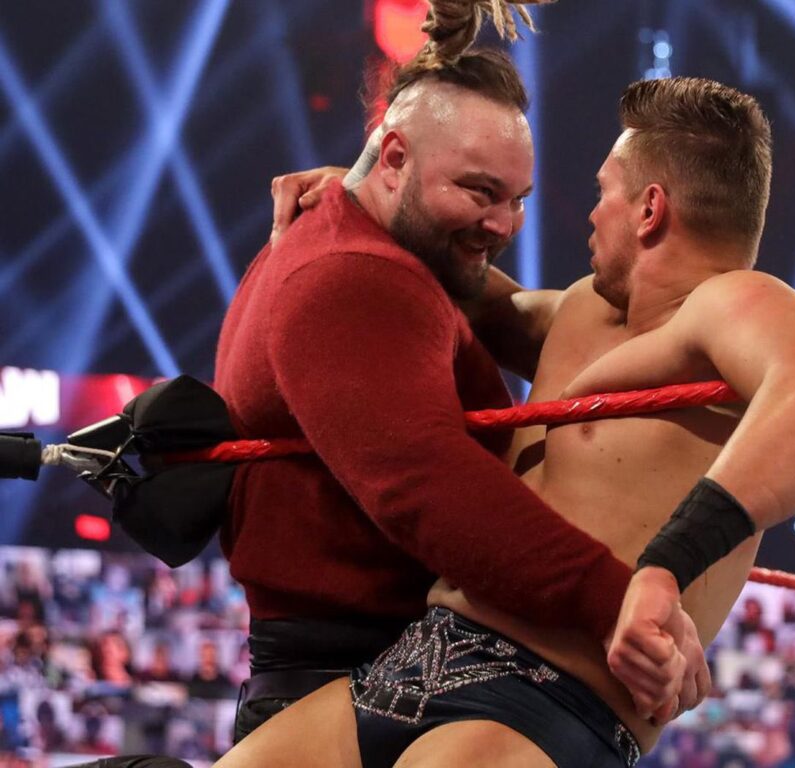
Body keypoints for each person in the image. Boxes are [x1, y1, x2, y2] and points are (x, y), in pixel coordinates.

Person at [213, 75, 795, 768]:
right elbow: (458, 274)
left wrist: (663, 570)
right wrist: (366, 192)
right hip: (414, 659)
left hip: (548, 702)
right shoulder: (583, 310)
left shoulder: (730, 304)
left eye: (603, 192)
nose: (589, 214)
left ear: (649, 209)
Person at [213, 23, 702, 747]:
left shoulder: (377, 248)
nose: (503, 223)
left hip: (370, 667)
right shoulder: (351, 274)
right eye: (479, 191)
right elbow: (428, 486)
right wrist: (618, 599)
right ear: (394, 159)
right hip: (350, 673)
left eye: (518, 198)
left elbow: (534, 330)